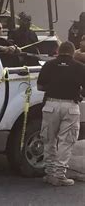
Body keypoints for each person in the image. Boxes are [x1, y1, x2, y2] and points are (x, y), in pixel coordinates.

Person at [38, 41, 85, 186]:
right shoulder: (80, 67)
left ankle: (50, 173)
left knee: (49, 139)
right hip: (71, 106)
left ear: (58, 51)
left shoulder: (48, 65)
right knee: (66, 141)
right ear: (72, 52)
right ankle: (60, 174)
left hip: (51, 105)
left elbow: (40, 86)